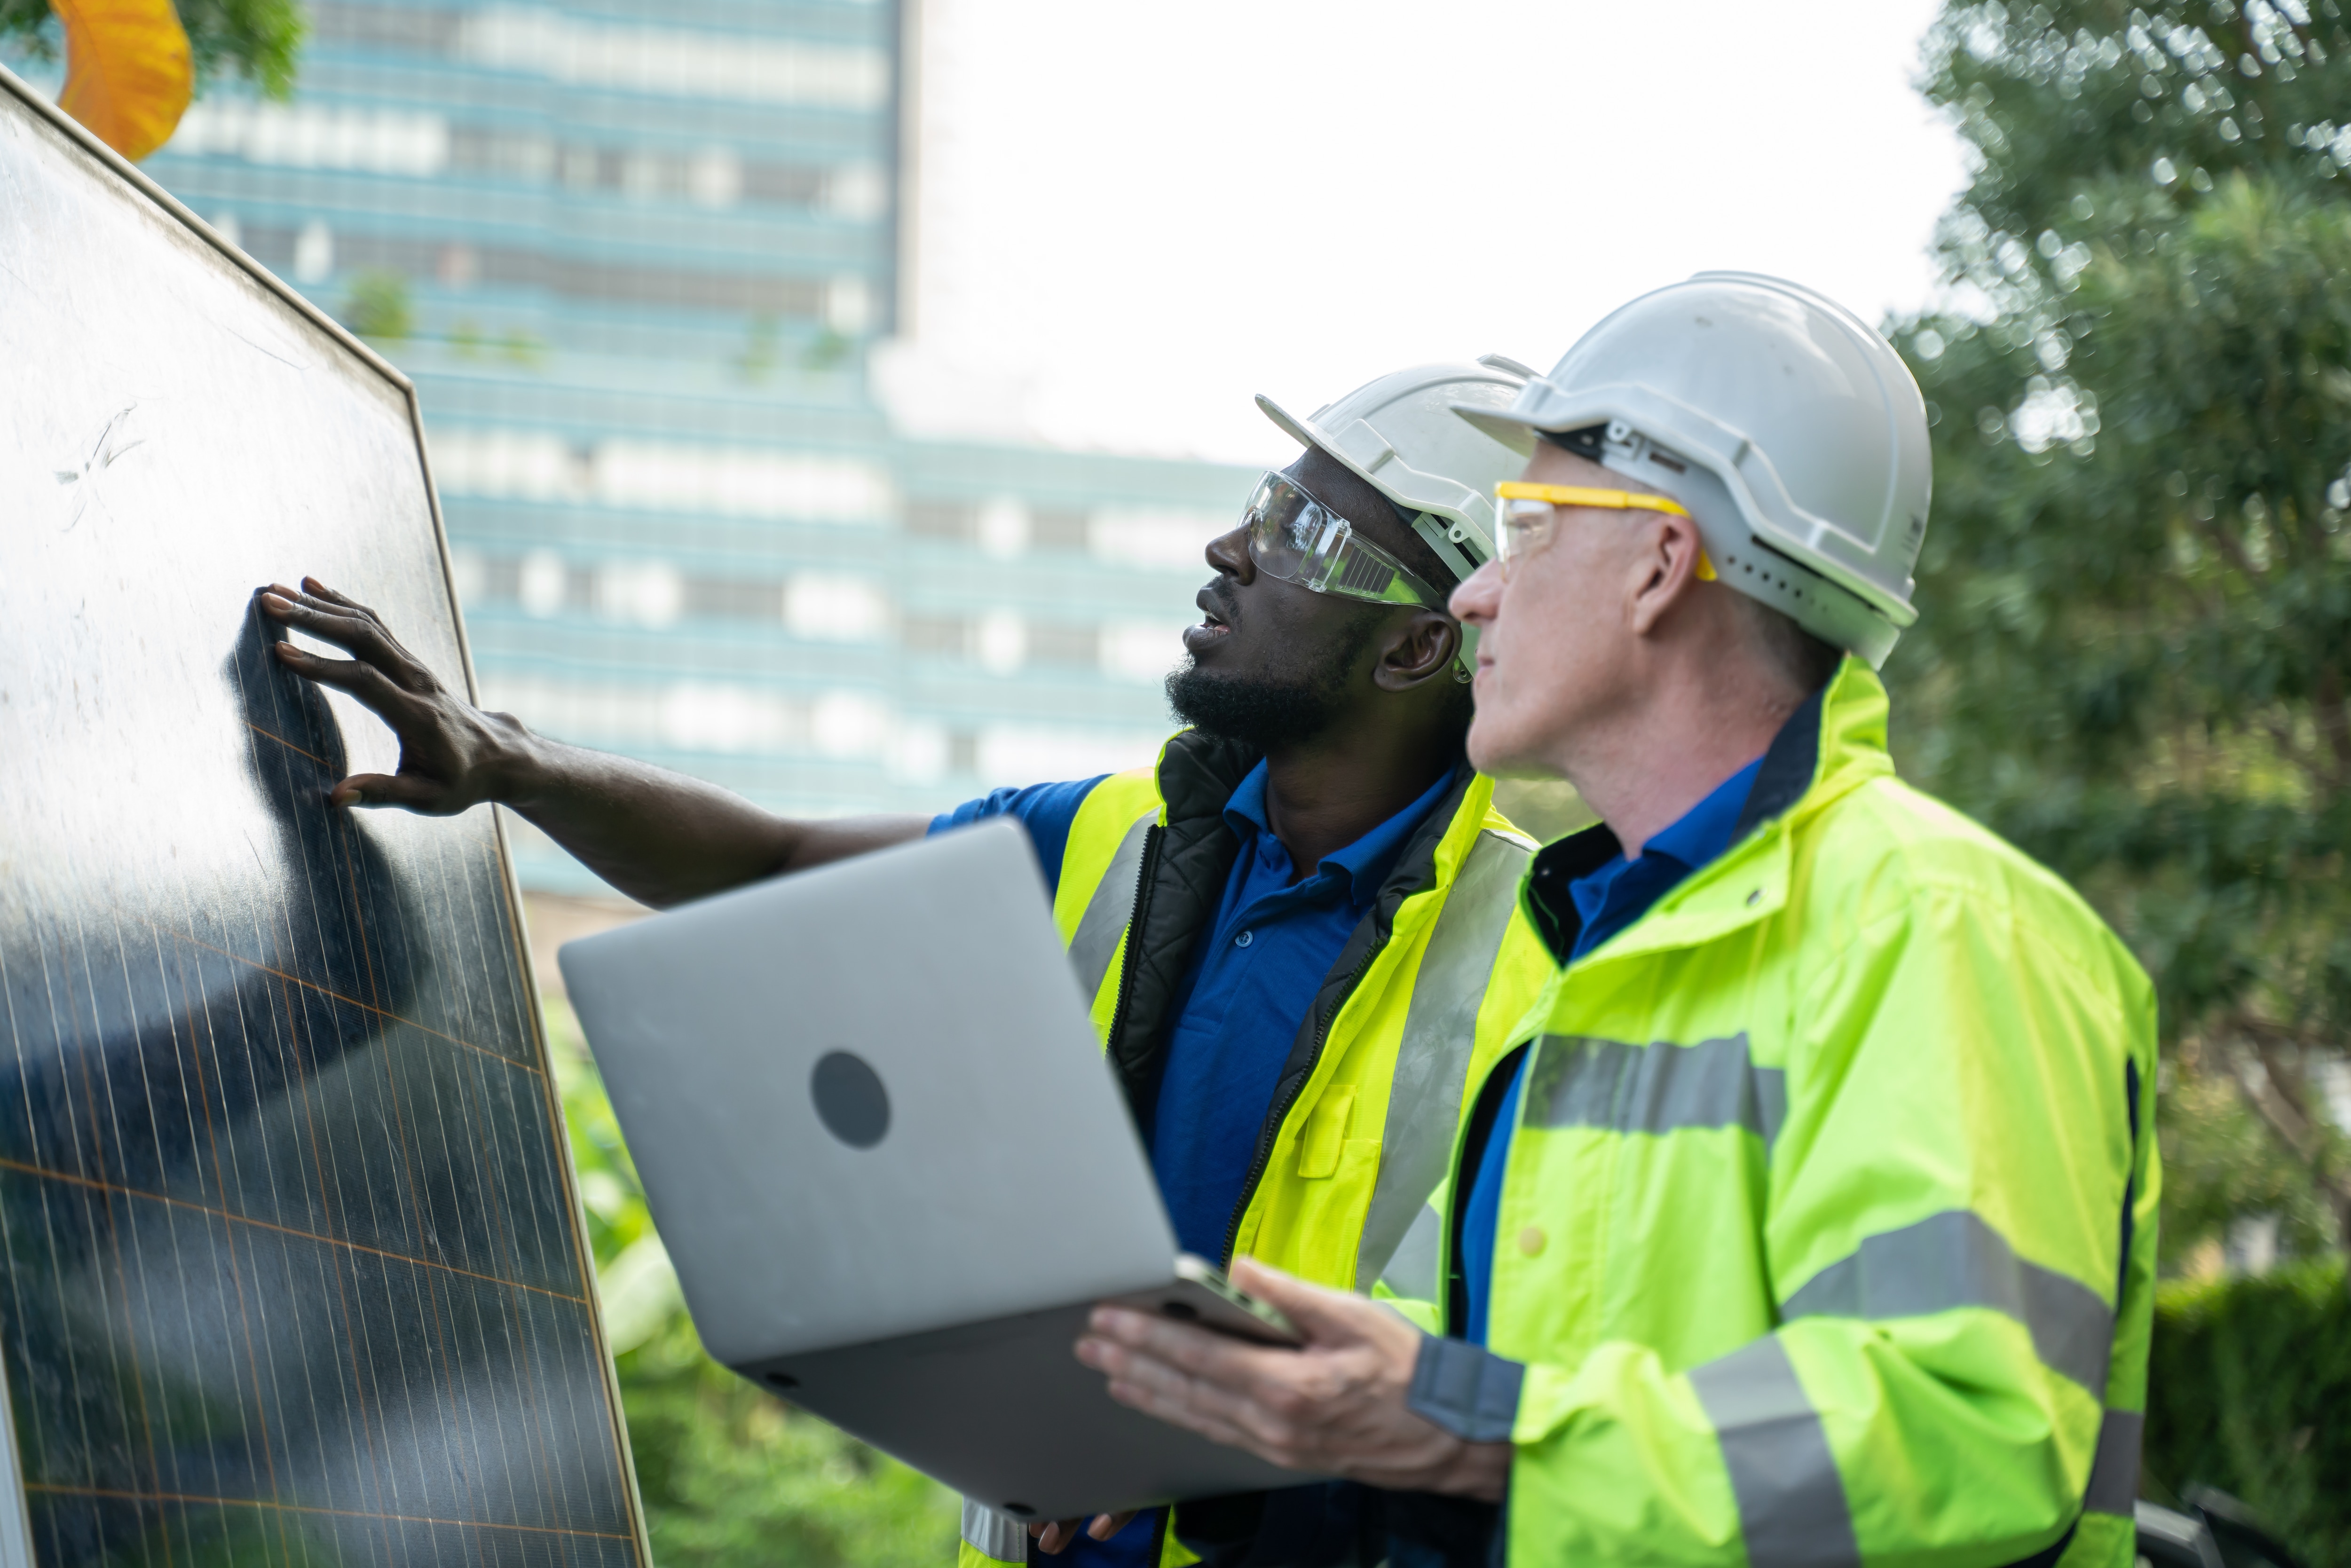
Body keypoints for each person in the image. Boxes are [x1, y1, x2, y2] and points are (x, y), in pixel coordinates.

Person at [256, 359, 1562, 1568]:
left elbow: (1517, 1389)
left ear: (1417, 647)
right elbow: (772, 861)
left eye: (1306, 538)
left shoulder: (1545, 953)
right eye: (1266, 504)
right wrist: (512, 764)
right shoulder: (1105, 843)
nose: (1234, 551)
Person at [1072, 275, 2162, 1568]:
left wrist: (1459, 1426)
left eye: (1526, 529)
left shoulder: (1936, 929)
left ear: (1659, 567)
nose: (1475, 599)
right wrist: (1284, 1442)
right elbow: (1593, 1424)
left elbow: (1969, 1438)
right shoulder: (1594, 946)